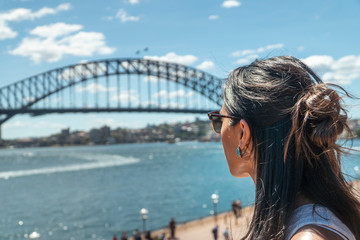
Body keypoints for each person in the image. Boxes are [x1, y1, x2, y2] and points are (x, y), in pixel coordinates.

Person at [207, 56, 360, 240]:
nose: (218, 130)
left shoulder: (310, 236)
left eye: (219, 120)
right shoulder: (315, 218)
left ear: (242, 134)